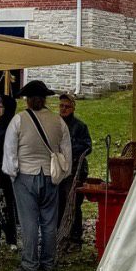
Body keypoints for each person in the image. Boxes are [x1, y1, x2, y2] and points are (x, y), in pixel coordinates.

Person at [2, 80, 71, 271]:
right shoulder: (58, 121)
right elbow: (66, 151)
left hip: (26, 174)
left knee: (29, 222)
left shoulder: (19, 120)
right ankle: (48, 262)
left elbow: (10, 151)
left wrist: (12, 172)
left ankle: (30, 263)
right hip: (50, 175)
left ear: (28, 100)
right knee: (49, 222)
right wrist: (63, 174)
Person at [57, 92, 92, 245]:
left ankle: (76, 236)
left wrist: (69, 150)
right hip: (59, 169)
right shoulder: (55, 125)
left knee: (74, 203)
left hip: (76, 170)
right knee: (59, 202)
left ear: (73, 108)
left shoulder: (80, 126)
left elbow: (87, 146)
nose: (63, 109)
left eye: (67, 106)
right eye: (61, 106)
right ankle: (60, 233)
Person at [0, 93, 19, 249]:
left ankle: (11, 238)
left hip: (6, 168)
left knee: (7, 203)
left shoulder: (10, 127)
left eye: (1, 106)